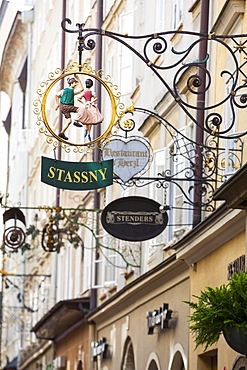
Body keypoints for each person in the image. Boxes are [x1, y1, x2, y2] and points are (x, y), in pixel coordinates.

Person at [55, 74, 83, 140]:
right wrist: (78, 78)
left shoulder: (63, 90)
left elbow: (57, 95)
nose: (75, 85)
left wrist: (57, 104)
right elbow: (82, 89)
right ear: (71, 84)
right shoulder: (72, 91)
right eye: (74, 83)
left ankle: (62, 132)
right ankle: (76, 121)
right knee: (80, 110)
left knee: (69, 121)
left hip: (62, 107)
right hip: (68, 106)